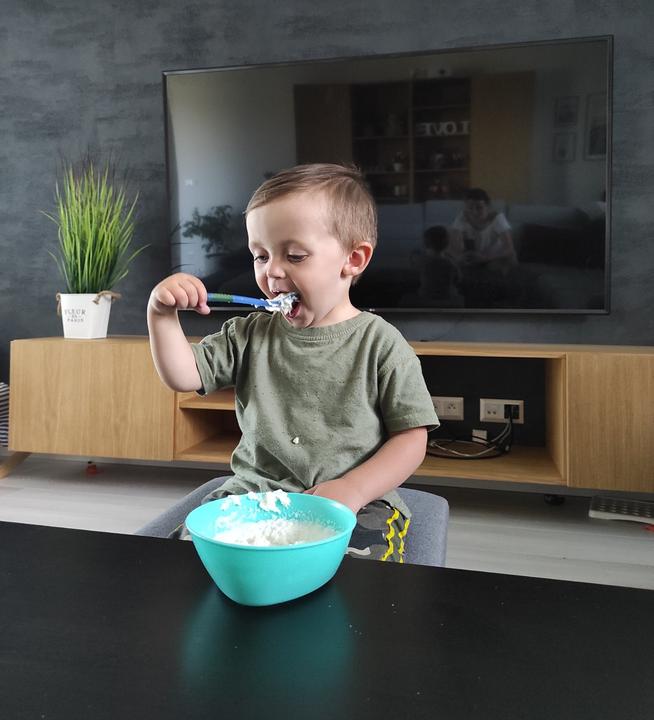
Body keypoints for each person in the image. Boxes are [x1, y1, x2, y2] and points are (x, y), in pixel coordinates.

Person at [148, 163, 439, 562]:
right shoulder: (248, 334)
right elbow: (184, 375)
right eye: (260, 256)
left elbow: (411, 439)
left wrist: (354, 489)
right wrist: (161, 315)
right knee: (187, 560)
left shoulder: (382, 344)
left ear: (353, 259)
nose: (271, 271)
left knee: (362, 577)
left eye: (295, 256)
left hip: (356, 501)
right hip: (254, 495)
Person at [449, 188, 517, 306]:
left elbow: (509, 249)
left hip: (495, 257)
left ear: (487, 206)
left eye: (479, 207)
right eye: (470, 208)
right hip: (474, 257)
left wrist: (485, 258)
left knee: (499, 266)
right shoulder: (462, 217)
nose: (474, 212)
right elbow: (455, 246)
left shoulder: (497, 218)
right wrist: (461, 256)